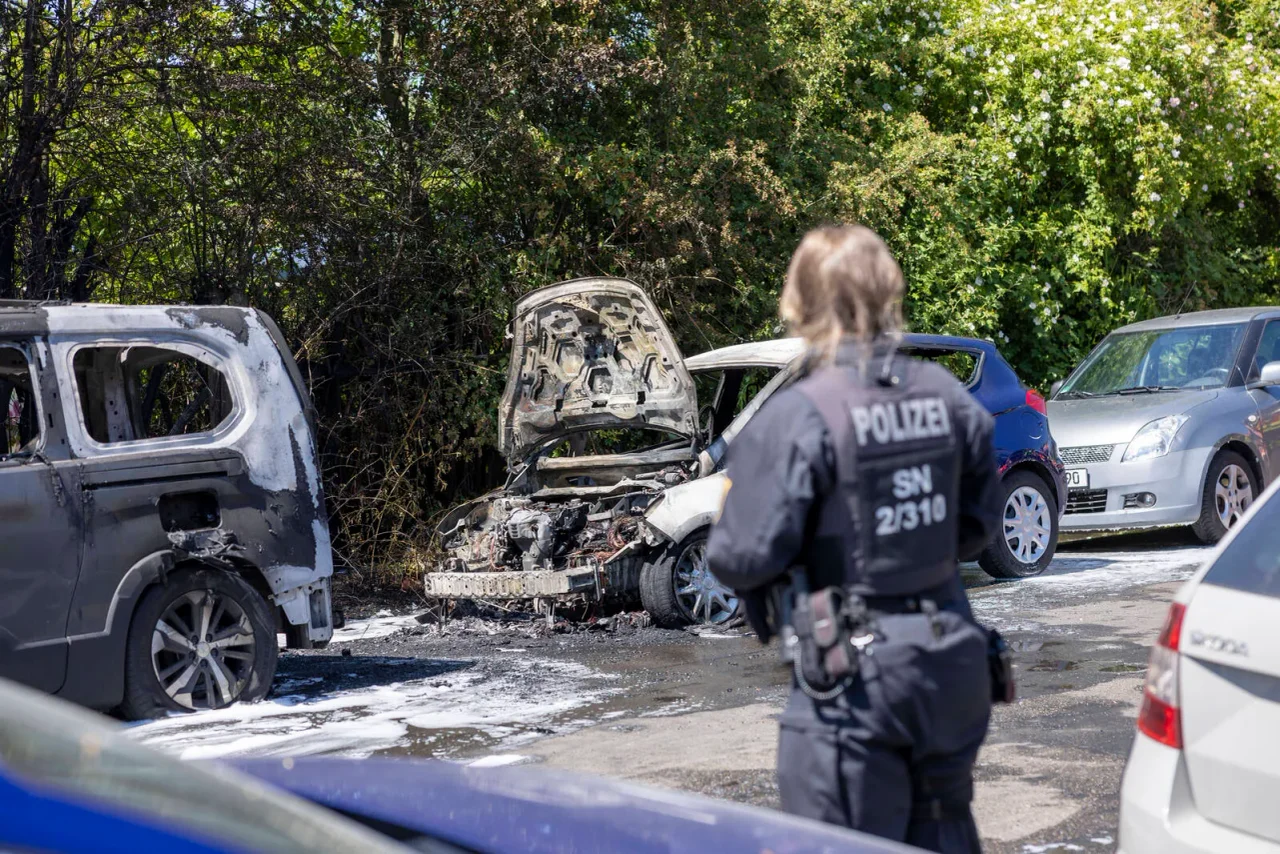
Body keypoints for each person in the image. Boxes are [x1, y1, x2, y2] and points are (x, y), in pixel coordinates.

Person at [706, 225, 1003, 853]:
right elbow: (979, 524)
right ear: (888, 288)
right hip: (952, 667)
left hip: (856, 687)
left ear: (799, 303)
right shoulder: (950, 396)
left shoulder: (800, 415)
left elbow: (740, 554)